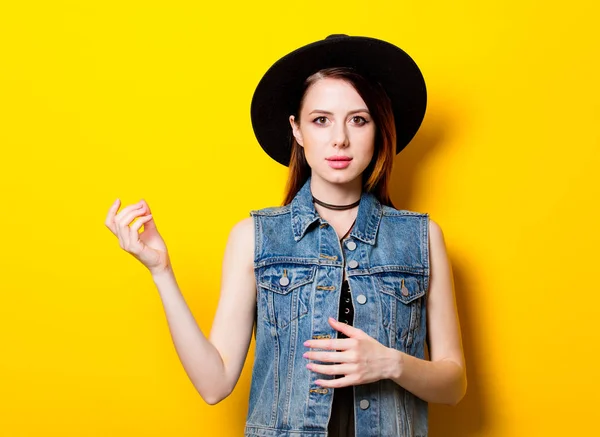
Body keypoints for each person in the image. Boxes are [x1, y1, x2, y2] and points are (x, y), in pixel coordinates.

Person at [105, 34, 466, 437]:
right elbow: (214, 384)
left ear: (379, 128)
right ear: (297, 129)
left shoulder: (421, 237)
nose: (340, 139)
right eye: (321, 119)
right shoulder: (255, 238)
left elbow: (454, 385)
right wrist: (161, 272)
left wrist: (390, 363)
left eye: (358, 119)